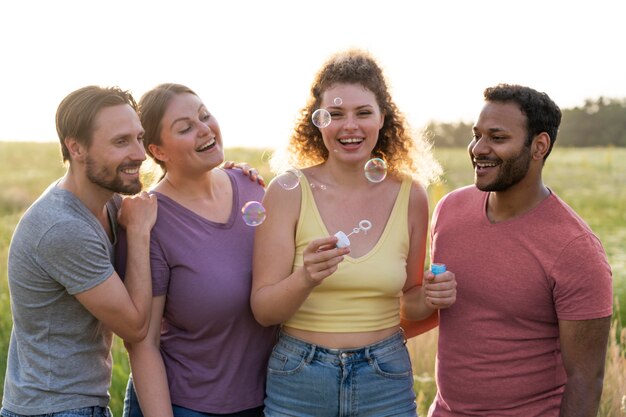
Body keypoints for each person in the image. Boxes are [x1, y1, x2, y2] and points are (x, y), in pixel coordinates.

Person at [250, 49, 457, 416]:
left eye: (363, 113)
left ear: (382, 119)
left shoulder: (411, 195)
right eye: (335, 114)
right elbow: (264, 311)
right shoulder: (287, 191)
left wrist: (433, 296)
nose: (350, 126)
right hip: (300, 375)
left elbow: (409, 300)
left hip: (384, 376)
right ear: (316, 121)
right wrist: (306, 277)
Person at [428, 84, 613, 416]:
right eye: (477, 135)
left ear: (539, 146)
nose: (478, 149)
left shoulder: (576, 249)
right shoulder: (449, 209)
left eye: (497, 138)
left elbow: (586, 379)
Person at [117, 83, 277, 417]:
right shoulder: (150, 221)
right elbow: (142, 343)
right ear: (158, 150)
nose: (204, 129)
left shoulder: (251, 186)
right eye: (186, 127)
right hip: (185, 404)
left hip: (268, 401)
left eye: (204, 115)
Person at [1, 86, 158, 417]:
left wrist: (229, 176)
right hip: (54, 409)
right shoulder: (62, 227)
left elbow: (164, 199)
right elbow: (135, 327)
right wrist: (140, 233)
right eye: (121, 142)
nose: (140, 153)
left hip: (75, 403)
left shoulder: (108, 199)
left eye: (139, 138)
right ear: (76, 147)